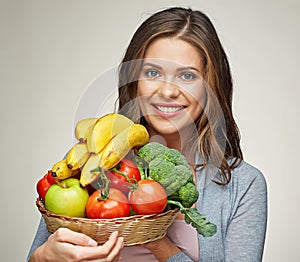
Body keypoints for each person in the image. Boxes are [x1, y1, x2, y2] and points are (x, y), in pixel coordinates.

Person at [27, 7, 267, 262]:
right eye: (153, 73)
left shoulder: (244, 185)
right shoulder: (91, 164)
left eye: (187, 76)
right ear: (135, 81)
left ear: (210, 86)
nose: (167, 91)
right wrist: (41, 259)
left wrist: (158, 242)